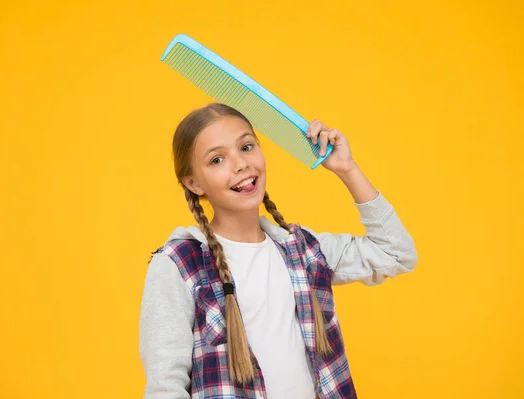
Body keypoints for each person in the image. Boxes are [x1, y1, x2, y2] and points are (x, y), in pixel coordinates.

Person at [139, 103, 418, 399]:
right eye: (218, 159)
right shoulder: (179, 265)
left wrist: (347, 169)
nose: (240, 164)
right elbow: (164, 387)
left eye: (246, 147)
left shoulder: (304, 250)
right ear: (194, 182)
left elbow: (395, 254)